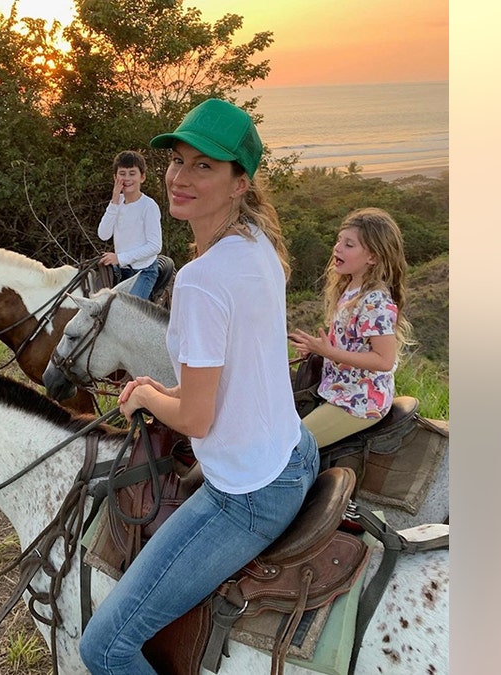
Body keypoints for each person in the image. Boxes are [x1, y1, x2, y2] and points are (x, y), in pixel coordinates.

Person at [78, 98, 319, 674]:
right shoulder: (257, 244)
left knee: (103, 649)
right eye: (178, 161)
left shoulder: (202, 279)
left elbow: (196, 418)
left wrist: (143, 396)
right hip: (295, 451)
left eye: (204, 166)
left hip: (248, 492)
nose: (180, 178)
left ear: (240, 182)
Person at [287, 207, 415, 447]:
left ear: (373, 257)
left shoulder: (375, 299)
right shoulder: (351, 288)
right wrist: (317, 350)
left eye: (349, 244)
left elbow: (384, 360)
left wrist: (330, 353)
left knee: (292, 444)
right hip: (338, 387)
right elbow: (352, 343)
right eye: (339, 240)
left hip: (359, 401)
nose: (337, 248)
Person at [96, 150, 163, 300]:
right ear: (115, 177)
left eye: (132, 173)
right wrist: (114, 201)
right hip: (121, 269)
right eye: (122, 173)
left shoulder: (149, 206)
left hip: (144, 271)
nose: (127, 178)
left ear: (142, 177)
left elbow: (155, 246)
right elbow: (103, 234)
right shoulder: (116, 203)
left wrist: (120, 258)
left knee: (127, 314)